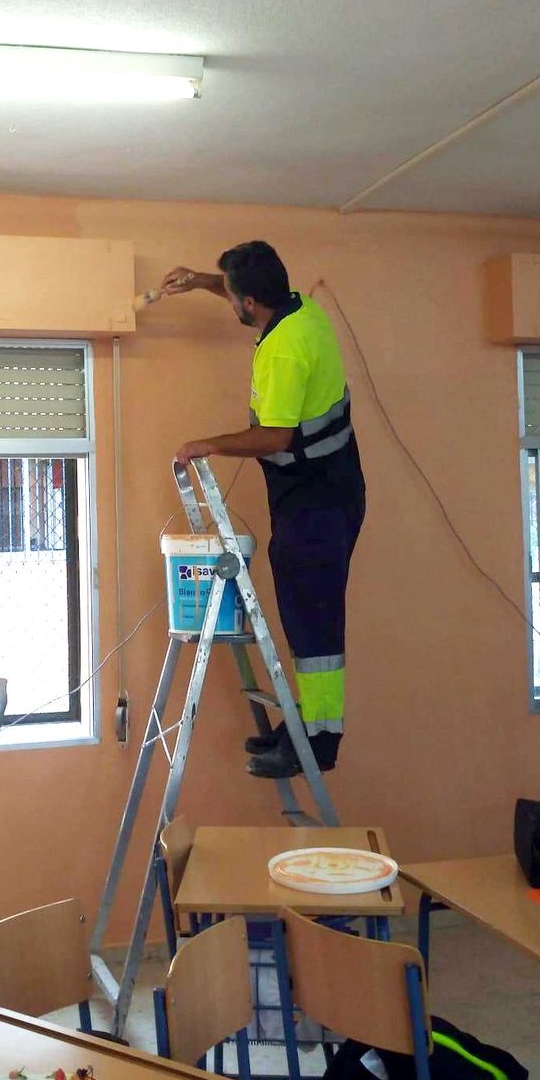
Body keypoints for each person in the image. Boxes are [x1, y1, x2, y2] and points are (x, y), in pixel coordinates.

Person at [163, 242, 364, 779]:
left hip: (316, 500)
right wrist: (203, 280)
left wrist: (209, 444)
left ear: (249, 303)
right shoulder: (303, 312)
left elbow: (274, 437)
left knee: (313, 628)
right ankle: (308, 723)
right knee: (306, 617)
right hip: (330, 487)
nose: (230, 302)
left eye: (229, 293)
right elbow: (247, 295)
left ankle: (319, 743)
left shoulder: (281, 352)